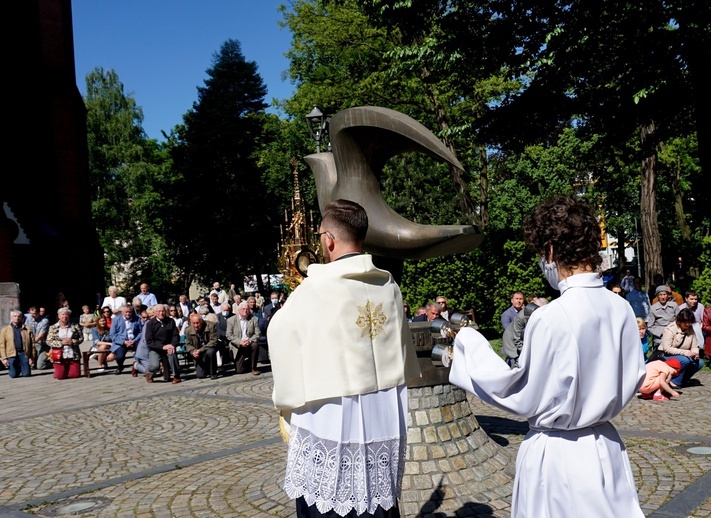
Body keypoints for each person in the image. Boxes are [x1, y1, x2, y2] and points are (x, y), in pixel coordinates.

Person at [448, 195, 645, 518]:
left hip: (560, 455)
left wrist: (469, 344)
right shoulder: (620, 307)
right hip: (606, 444)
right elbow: (633, 374)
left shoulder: (552, 316)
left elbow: (522, 392)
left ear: (551, 250)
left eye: (542, 253)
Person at [268, 199, 421, 517]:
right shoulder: (389, 286)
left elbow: (280, 332)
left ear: (328, 239)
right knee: (377, 497)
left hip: (334, 412)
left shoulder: (316, 287)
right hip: (382, 410)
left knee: (333, 499)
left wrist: (288, 400)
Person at [658, 308, 703, 388]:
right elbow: (667, 348)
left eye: (689, 322)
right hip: (666, 355)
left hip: (684, 355)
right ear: (680, 320)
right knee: (685, 360)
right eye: (685, 322)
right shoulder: (670, 329)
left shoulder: (691, 329)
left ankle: (683, 379)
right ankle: (673, 380)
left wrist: (695, 353)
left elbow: (694, 345)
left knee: (699, 363)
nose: (687, 324)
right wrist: (686, 353)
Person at [501, 298, 548, 368]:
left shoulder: (536, 314)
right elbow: (517, 339)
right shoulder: (521, 316)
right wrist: (526, 353)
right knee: (519, 364)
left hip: (521, 339)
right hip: (512, 342)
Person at [144, 304, 181, 383]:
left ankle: (176, 376)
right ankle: (149, 373)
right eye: (159, 311)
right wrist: (162, 347)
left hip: (169, 346)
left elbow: (175, 335)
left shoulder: (171, 321)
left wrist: (172, 345)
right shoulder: (150, 324)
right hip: (156, 348)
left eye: (163, 311)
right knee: (155, 365)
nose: (161, 313)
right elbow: (149, 341)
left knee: (172, 354)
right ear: (155, 313)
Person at [46, 308, 84, 380]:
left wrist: (73, 341)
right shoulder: (53, 327)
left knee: (75, 375)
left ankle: (68, 369)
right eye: (62, 314)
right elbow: (48, 341)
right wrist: (61, 343)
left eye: (67, 315)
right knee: (60, 376)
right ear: (59, 316)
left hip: (73, 354)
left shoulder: (75, 326)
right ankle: (60, 371)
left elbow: (81, 338)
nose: (65, 316)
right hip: (59, 356)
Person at [226, 301, 261, 375]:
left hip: (249, 342)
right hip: (237, 345)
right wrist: (240, 342)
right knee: (239, 371)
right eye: (243, 309)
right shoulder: (231, 320)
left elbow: (257, 333)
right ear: (238, 310)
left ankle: (253, 368)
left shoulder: (254, 319)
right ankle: (247, 363)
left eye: (247, 309)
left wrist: (249, 340)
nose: (245, 310)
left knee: (255, 345)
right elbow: (229, 335)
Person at [0, 310, 36, 378]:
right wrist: (4, 358)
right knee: (13, 375)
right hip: (11, 354)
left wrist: (32, 357)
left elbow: (32, 345)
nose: (17, 318)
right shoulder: (5, 330)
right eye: (15, 316)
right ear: (11, 317)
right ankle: (17, 368)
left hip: (24, 353)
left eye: (19, 316)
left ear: (22, 317)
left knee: (26, 374)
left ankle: (23, 367)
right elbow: (2, 345)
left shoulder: (27, 329)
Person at [184, 313, 220, 379]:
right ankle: (206, 369)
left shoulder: (210, 326)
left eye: (197, 323)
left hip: (207, 349)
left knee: (211, 351)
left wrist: (200, 350)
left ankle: (213, 372)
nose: (196, 325)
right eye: (193, 323)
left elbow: (213, 341)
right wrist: (193, 352)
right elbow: (188, 344)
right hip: (198, 353)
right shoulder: (188, 330)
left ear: (202, 321)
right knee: (200, 375)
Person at [110, 305, 142, 374]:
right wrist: (123, 342)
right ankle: (120, 366)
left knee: (141, 352)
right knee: (119, 357)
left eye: (129, 312)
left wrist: (135, 340)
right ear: (122, 312)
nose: (128, 314)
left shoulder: (137, 319)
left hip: (134, 340)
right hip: (121, 342)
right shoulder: (116, 320)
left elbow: (141, 332)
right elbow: (112, 335)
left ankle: (140, 366)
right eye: (126, 312)